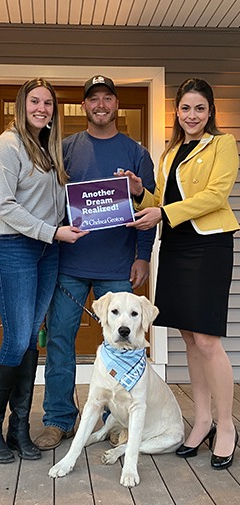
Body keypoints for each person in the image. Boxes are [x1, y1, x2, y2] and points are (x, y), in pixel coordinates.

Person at [120, 78, 240, 470]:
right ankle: (201, 420)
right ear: (177, 112)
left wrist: (163, 212)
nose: (192, 115)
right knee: (189, 338)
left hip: (207, 247)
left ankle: (226, 426)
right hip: (174, 247)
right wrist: (140, 192)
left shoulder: (222, 145)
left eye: (199, 109)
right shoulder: (170, 151)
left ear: (210, 112)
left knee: (207, 339)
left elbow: (215, 196)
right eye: (186, 108)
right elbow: (161, 201)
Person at [34, 75, 156, 450]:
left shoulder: (136, 153)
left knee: (123, 346)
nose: (100, 105)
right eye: (93, 99)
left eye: (107, 98)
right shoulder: (66, 148)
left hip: (117, 266)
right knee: (59, 341)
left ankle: (112, 421)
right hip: (69, 263)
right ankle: (58, 419)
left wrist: (142, 255)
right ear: (84, 106)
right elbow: (49, 200)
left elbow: (149, 207)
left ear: (115, 105)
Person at [0, 77, 88, 464]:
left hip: (47, 250)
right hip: (12, 247)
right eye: (35, 102)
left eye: (48, 103)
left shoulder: (47, 149)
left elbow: (58, 203)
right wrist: (54, 232)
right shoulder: (6, 147)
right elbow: (5, 208)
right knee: (14, 340)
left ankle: (20, 429)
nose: (41, 108)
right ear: (21, 104)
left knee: (30, 339)